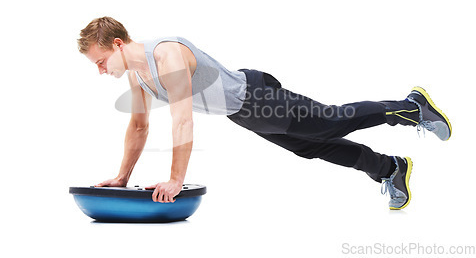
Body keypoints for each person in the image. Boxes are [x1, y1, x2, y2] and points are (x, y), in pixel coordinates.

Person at [77, 16, 452, 209]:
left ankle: (410, 107)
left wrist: (176, 179)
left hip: (255, 96)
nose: (99, 70)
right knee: (311, 147)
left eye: (100, 61)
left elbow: (182, 119)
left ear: (117, 43)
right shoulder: (140, 77)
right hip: (243, 112)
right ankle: (391, 169)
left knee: (330, 123)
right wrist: (122, 178)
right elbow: (139, 127)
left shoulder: (165, 54)